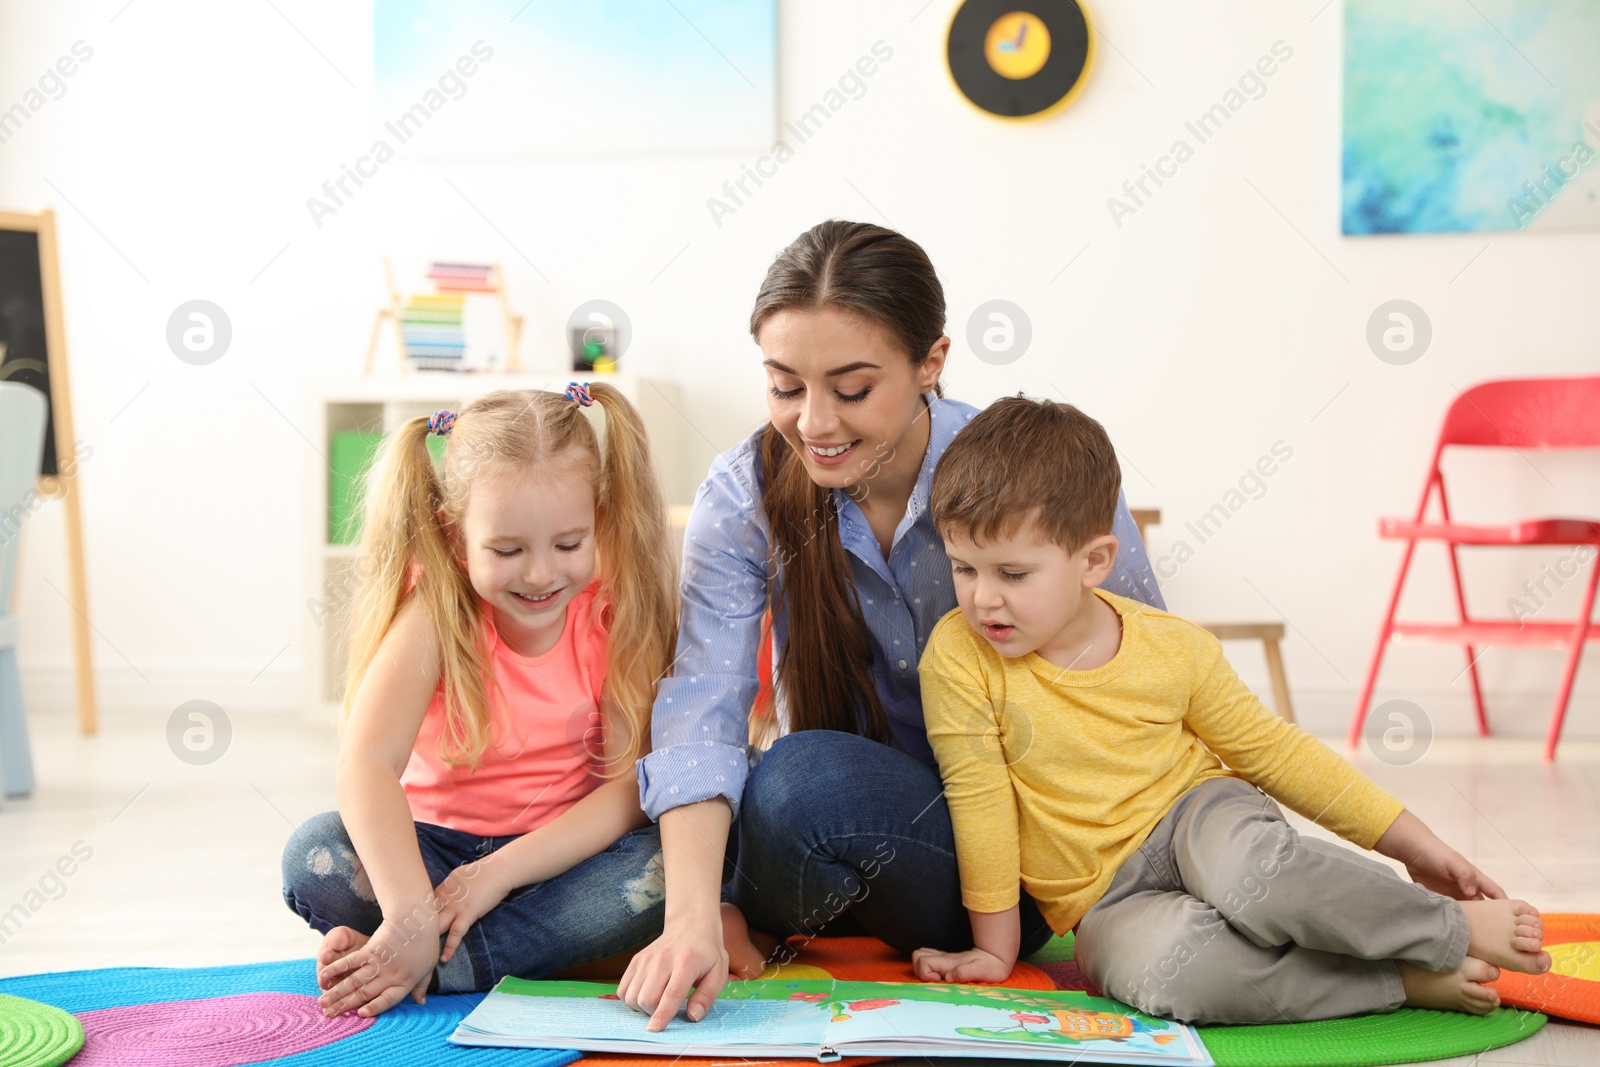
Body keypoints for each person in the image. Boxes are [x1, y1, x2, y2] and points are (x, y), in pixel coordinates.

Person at [616, 220, 1168, 1030]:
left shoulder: (1036, 475)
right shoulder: (744, 493)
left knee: (800, 782)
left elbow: (1147, 672)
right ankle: (735, 910)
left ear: (930, 364)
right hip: (837, 837)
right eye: (784, 385)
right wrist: (689, 917)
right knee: (677, 827)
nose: (814, 423)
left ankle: (760, 908)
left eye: (852, 388)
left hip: (1023, 855)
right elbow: (702, 707)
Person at [910, 395, 1551, 1023]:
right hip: (1105, 901)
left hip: (1199, 816)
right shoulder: (959, 657)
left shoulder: (1174, 647)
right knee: (1161, 971)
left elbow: (1276, 752)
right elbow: (980, 799)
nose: (982, 599)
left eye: (1012, 575)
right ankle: (1395, 980)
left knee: (1261, 876)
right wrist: (995, 951)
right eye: (964, 569)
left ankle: (1451, 928)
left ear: (1094, 562)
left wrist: (1418, 847)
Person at [281, 383, 679, 1018]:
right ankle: (453, 949)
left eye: (568, 544)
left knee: (668, 863)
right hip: (431, 857)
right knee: (316, 854)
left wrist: (498, 874)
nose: (542, 574)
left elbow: (631, 788)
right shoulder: (435, 617)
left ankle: (435, 965)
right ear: (453, 532)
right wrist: (411, 911)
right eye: (507, 550)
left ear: (598, 519)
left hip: (556, 861)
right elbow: (367, 764)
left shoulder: (612, 613)